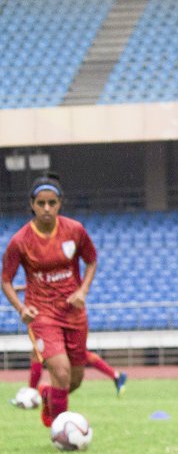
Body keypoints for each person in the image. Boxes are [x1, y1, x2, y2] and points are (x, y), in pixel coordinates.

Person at [2, 173, 98, 429]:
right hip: (42, 313)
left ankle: (47, 395)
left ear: (60, 203)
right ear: (32, 204)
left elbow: (91, 260)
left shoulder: (75, 230)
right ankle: (61, 430)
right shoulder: (20, 241)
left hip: (74, 312)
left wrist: (83, 291)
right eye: (41, 203)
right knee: (62, 370)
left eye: (52, 203)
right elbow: (6, 280)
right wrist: (21, 308)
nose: (46, 208)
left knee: (73, 379)